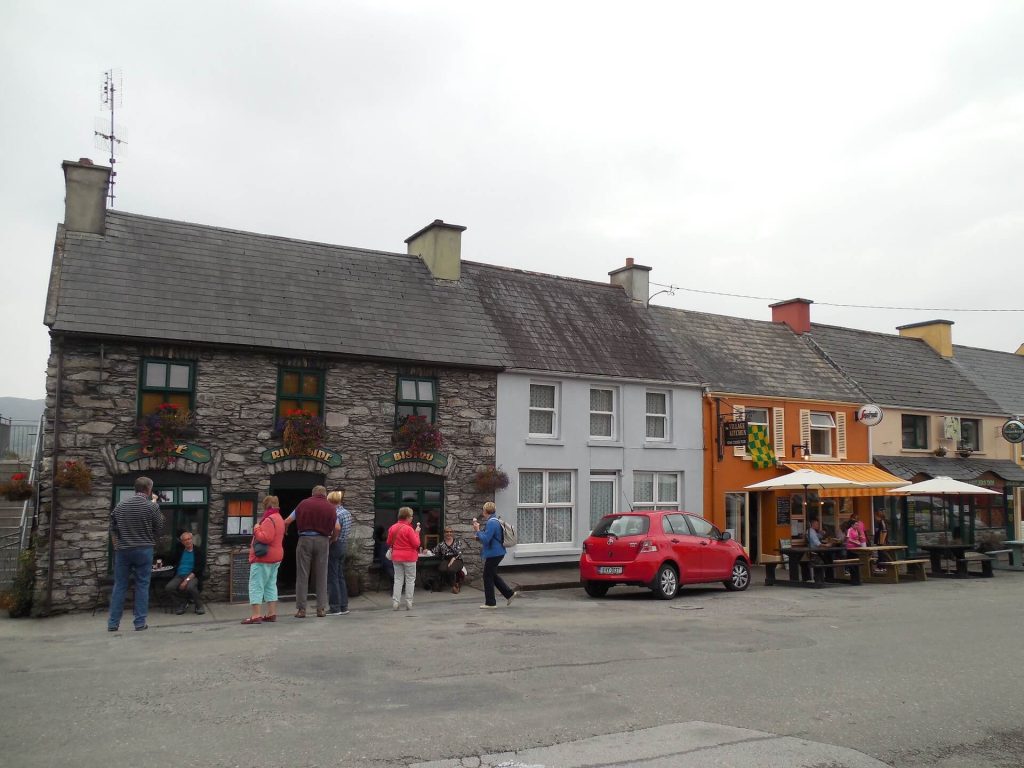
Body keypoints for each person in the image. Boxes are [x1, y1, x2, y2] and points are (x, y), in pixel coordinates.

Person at [107, 476, 163, 632]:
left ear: (135, 489)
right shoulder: (152, 507)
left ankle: (113, 623)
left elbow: (112, 527)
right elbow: (159, 528)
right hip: (144, 549)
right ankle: (139, 623)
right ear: (148, 489)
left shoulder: (120, 505)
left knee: (120, 586)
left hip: (123, 550)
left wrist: (116, 544)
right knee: (142, 585)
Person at [283, 485, 340, 618]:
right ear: (325, 495)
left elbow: (287, 521)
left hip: (305, 539)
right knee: (322, 575)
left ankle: (301, 610)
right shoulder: (330, 507)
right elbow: (337, 527)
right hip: (323, 540)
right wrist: (333, 539)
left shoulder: (303, 504)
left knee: (302, 574)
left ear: (312, 493)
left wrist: (285, 531)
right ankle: (321, 609)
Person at [243, 496, 286, 625]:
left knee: (256, 585)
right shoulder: (279, 518)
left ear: (266, 506)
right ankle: (271, 613)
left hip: (263, 558)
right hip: (276, 557)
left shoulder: (269, 519)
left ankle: (256, 615)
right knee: (270, 585)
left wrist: (256, 528)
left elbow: (265, 538)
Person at [473, 501, 520, 609]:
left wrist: (477, 530)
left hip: (494, 554)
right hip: (497, 552)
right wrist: (478, 535)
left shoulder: (492, 522)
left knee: (487, 576)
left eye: (483, 510)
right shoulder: (494, 520)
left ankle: (490, 603)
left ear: (485, 511)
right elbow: (489, 537)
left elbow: (486, 540)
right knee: (492, 575)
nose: (482, 511)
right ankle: (509, 594)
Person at [387, 507, 421, 611]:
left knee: (398, 579)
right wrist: (417, 533)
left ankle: (396, 602)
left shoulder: (392, 528)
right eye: (411, 516)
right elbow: (416, 544)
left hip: (396, 557)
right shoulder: (409, 529)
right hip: (409, 557)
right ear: (407, 517)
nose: (412, 518)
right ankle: (408, 602)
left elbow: (388, 542)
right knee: (410, 580)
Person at [165, 531, 206, 615]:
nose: (188, 541)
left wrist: (186, 580)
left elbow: (198, 569)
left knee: (190, 587)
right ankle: (181, 603)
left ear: (192, 539)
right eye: (185, 540)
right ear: (182, 542)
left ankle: (199, 605)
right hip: (179, 575)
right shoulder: (180, 551)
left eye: (189, 539)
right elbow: (171, 560)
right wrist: (161, 561)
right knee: (169, 587)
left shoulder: (198, 551)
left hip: (192, 575)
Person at [326, 490, 353, 616]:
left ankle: (335, 607)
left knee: (332, 576)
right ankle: (344, 605)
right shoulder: (346, 512)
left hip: (335, 544)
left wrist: (332, 539)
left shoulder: (335, 513)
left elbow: (335, 529)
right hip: (344, 544)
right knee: (340, 576)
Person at [431, 526, 466, 594]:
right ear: (444, 533)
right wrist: (426, 550)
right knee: (442, 568)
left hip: (457, 559)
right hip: (446, 559)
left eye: (450, 532)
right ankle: (441, 584)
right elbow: (434, 551)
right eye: (447, 532)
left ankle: (455, 586)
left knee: (451, 569)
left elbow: (459, 553)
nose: (449, 533)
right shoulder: (441, 544)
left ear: (452, 533)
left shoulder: (457, 542)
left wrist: (453, 559)